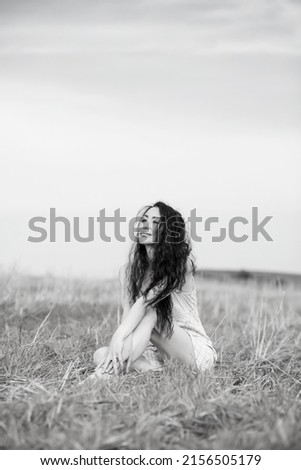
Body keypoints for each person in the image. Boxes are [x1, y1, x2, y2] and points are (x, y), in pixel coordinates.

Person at [92, 201, 217, 379]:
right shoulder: (127, 271)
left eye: (156, 222)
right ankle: (158, 374)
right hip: (155, 352)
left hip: (192, 351)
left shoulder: (182, 264)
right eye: (143, 220)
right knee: (100, 354)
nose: (145, 225)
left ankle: (102, 376)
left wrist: (118, 336)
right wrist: (120, 341)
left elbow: (147, 302)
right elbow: (128, 314)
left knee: (153, 312)